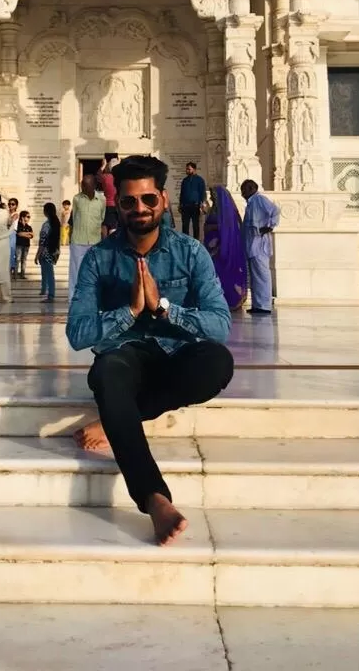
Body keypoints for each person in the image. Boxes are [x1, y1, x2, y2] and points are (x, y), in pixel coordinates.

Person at [67, 155, 233, 546]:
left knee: (217, 362)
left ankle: (114, 420)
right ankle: (154, 498)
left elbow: (220, 325)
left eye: (148, 200)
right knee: (109, 373)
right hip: (126, 354)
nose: (139, 209)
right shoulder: (99, 258)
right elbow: (77, 332)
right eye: (129, 202)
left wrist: (164, 308)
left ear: (162, 199)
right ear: (118, 205)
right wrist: (130, 312)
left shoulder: (190, 253)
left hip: (175, 353)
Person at [240, 180, 281, 315]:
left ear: (252, 188)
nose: (243, 192)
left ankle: (264, 306)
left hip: (259, 244)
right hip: (252, 245)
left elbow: (275, 210)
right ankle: (257, 305)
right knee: (255, 276)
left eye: (245, 189)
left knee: (262, 275)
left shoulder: (259, 199)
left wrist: (269, 226)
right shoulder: (251, 203)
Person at [204, 186, 247, 310]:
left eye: (213, 195)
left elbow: (226, 228)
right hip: (210, 246)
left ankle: (230, 299)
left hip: (220, 247)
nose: (211, 197)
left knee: (223, 273)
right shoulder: (213, 209)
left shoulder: (225, 211)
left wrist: (212, 228)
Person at [68, 174, 105, 301]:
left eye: (86, 185)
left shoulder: (102, 200)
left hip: (95, 241)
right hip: (78, 240)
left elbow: (102, 219)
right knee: (75, 272)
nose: (83, 187)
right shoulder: (77, 199)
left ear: (94, 186)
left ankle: (93, 298)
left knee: (95, 272)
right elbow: (74, 218)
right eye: (82, 184)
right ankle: (73, 299)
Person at [36, 201, 61, 302]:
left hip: (46, 252)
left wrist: (38, 254)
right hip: (53, 251)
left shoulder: (46, 225)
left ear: (46, 212)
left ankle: (50, 294)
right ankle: (44, 290)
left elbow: (42, 242)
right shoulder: (56, 223)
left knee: (48, 273)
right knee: (48, 272)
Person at [178, 161, 206, 240]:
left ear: (194, 169)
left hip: (195, 206)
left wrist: (202, 204)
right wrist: (180, 204)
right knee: (185, 225)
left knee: (195, 225)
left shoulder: (200, 180)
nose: (187, 171)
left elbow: (202, 193)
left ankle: (196, 242)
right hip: (185, 206)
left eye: (189, 169)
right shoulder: (185, 180)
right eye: (186, 169)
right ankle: (185, 241)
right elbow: (182, 193)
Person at [97, 152, 119, 237]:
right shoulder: (120, 178)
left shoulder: (105, 177)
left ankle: (105, 241)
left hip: (107, 205)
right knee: (115, 225)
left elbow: (98, 176)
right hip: (117, 205)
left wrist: (103, 165)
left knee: (105, 224)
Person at [15, 209, 33, 279]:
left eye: (29, 217)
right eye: (27, 216)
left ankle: (22, 274)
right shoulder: (18, 225)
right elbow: (19, 233)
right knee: (17, 259)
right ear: (22, 217)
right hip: (19, 245)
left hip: (26, 245)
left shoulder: (29, 227)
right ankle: (15, 274)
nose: (28, 218)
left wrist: (24, 234)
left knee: (24, 260)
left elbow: (32, 235)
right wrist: (28, 233)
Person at [7, 198, 19, 277]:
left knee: (11, 251)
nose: (11, 206)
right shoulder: (6, 213)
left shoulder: (16, 214)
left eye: (13, 204)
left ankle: (12, 269)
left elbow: (10, 222)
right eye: (9, 204)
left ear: (16, 206)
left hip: (12, 232)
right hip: (5, 233)